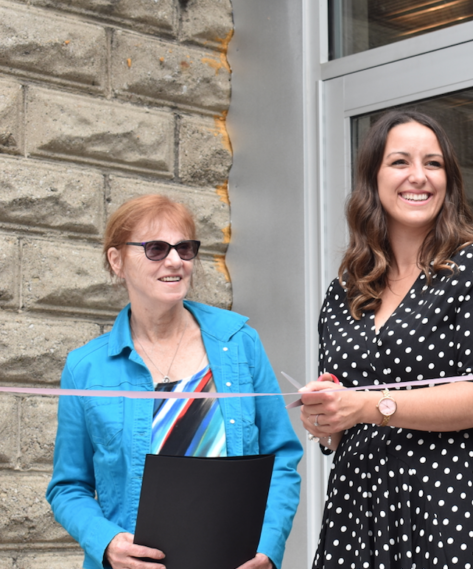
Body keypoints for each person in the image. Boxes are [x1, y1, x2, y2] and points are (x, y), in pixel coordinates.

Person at [299, 110, 473, 569]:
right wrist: (325, 421)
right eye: (400, 162)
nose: (418, 177)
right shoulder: (346, 288)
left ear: (449, 179)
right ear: (373, 177)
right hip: (358, 509)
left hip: (450, 504)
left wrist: (368, 406)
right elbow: (339, 414)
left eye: (433, 163)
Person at [46, 195, 303, 569]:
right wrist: (107, 542)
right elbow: (68, 487)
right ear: (117, 261)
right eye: (155, 249)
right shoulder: (84, 368)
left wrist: (267, 547)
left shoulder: (239, 343)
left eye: (184, 248)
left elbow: (282, 456)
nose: (175, 261)